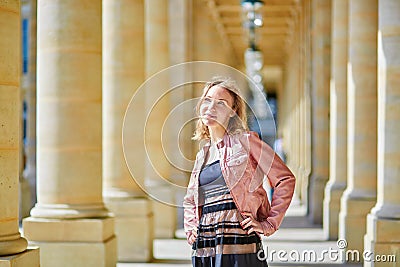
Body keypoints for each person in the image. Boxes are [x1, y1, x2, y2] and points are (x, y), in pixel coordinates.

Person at [183, 77, 296, 267]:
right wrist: (191, 227)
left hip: (239, 245)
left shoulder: (247, 142)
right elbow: (190, 200)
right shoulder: (202, 155)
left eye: (221, 103)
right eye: (207, 100)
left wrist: (269, 223)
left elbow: (285, 179)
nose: (211, 107)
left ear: (232, 112)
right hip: (206, 245)